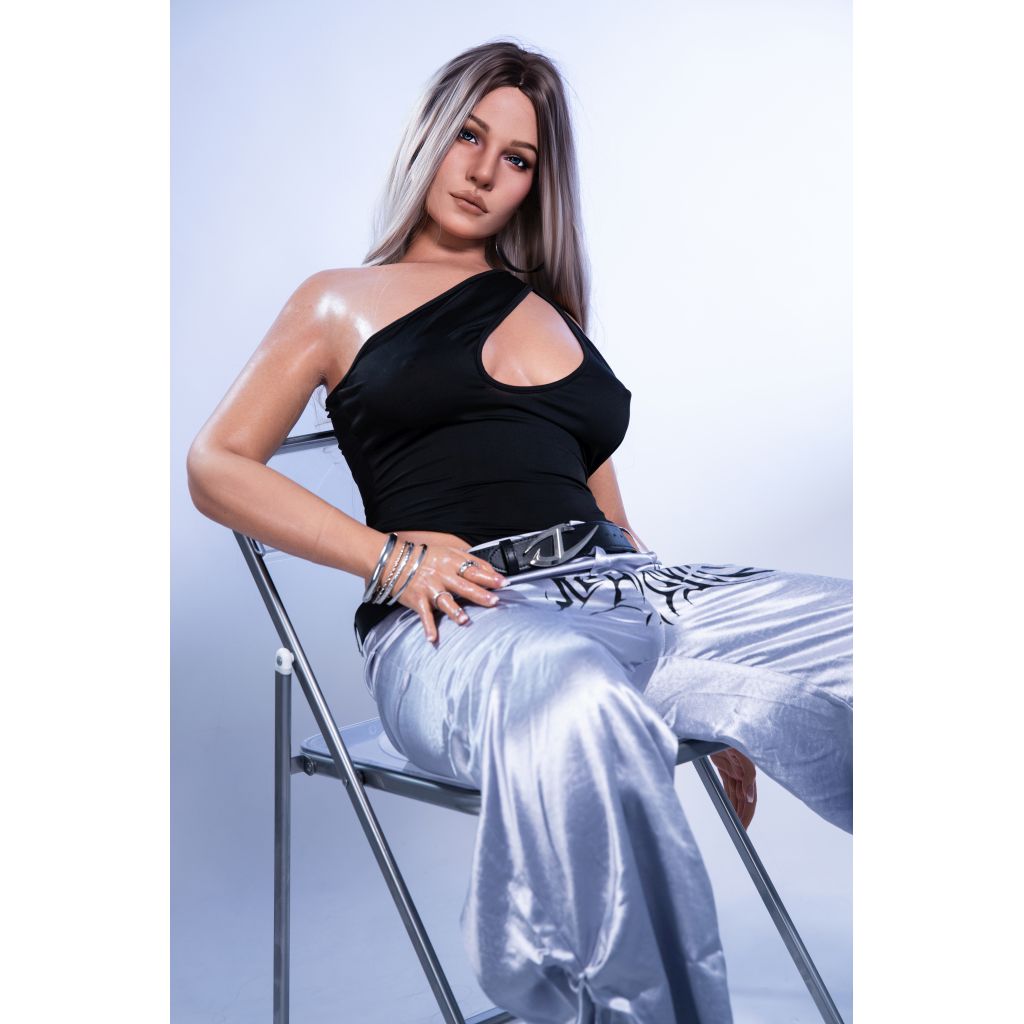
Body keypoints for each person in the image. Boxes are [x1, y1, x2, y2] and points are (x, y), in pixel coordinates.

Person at [187, 40, 852, 1024]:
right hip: (467, 621)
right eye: (469, 136)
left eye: (517, 158)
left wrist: (724, 692)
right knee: (575, 696)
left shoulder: (551, 310)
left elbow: (611, 519)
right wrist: (389, 558)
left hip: (629, 593)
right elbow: (216, 464)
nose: (483, 171)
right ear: (430, 135)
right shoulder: (335, 300)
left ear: (538, 183)